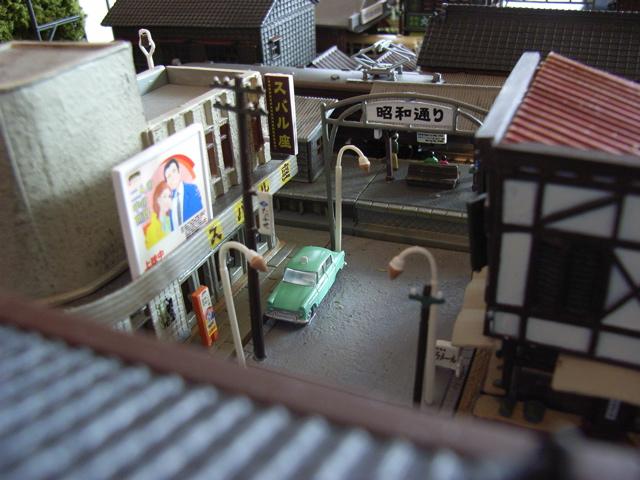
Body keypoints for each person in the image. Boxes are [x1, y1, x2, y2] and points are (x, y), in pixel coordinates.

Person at [163, 158, 203, 227]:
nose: (172, 177)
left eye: (174, 171)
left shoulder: (192, 189)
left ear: (179, 172)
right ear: (167, 182)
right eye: (168, 176)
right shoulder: (169, 199)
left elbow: (200, 220)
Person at [145, 181, 173, 249]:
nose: (168, 200)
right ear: (157, 199)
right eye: (164, 196)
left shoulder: (173, 219)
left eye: (169, 196)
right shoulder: (151, 229)